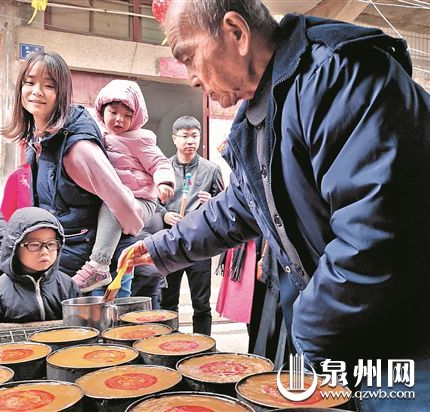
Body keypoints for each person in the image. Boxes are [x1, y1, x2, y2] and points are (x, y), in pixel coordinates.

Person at [121, 1, 430, 408]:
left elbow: (373, 237)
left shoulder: (339, 79)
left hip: (408, 344)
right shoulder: (259, 117)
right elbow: (238, 205)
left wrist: (308, 331)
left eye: (189, 57)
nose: (192, 79)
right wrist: (160, 249)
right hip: (352, 331)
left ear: (237, 33)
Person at [2, 51, 145, 298]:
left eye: (49, 85)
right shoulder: (41, 137)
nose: (37, 91)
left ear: (62, 93)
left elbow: (126, 209)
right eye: (30, 82)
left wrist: (109, 251)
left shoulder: (77, 148)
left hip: (95, 274)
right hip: (68, 259)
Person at [73, 80, 175, 293]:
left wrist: (164, 181)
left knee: (116, 202)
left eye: (128, 115)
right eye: (114, 112)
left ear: (136, 118)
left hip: (141, 201)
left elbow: (159, 162)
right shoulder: (96, 136)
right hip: (115, 203)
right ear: (101, 111)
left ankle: (99, 264)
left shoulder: (140, 139)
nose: (120, 119)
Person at [156, 116, 223, 336]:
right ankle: (169, 348)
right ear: (174, 139)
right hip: (171, 243)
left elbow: (225, 206)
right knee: (168, 302)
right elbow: (150, 204)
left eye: (194, 136)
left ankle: (203, 351)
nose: (190, 141)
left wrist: (211, 203)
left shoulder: (211, 170)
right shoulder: (162, 168)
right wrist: (165, 216)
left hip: (200, 245)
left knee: (201, 304)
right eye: (184, 136)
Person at [0, 207, 80, 325]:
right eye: (35, 245)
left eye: (51, 244)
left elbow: (81, 326)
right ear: (14, 248)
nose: (45, 251)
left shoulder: (67, 285)